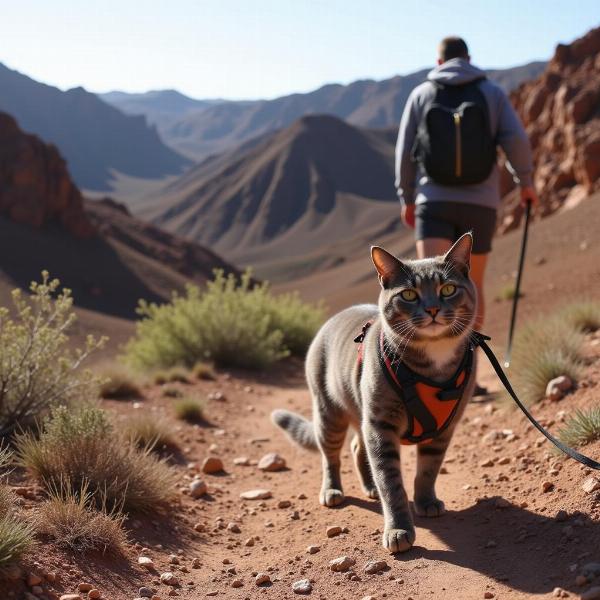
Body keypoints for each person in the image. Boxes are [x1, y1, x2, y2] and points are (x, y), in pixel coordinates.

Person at [395, 36, 538, 394]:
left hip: (433, 201)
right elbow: (516, 139)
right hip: (482, 203)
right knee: (468, 284)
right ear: (469, 58)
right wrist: (527, 181)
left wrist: (407, 197)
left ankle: (428, 377)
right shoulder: (490, 92)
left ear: (438, 60)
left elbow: (404, 149)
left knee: (427, 287)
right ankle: (466, 377)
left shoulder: (422, 93)